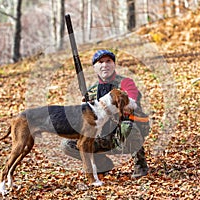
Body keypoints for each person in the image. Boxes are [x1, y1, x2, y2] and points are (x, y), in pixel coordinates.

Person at [61, 49, 149, 178]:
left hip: (122, 135)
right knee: (67, 144)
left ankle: (140, 164)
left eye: (108, 61)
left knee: (128, 126)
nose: (105, 65)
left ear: (114, 64)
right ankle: (102, 164)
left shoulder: (125, 83)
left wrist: (104, 107)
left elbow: (131, 103)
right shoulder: (91, 91)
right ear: (95, 67)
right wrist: (86, 108)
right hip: (102, 137)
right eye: (100, 62)